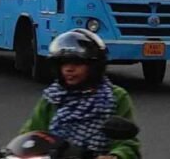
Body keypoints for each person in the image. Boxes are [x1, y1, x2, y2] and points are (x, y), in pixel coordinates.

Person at [19, 29, 140, 159]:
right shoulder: (52, 97)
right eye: (64, 63)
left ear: (94, 66)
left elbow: (128, 144)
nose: (68, 69)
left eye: (76, 63)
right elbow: (30, 135)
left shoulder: (115, 97)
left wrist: (115, 156)